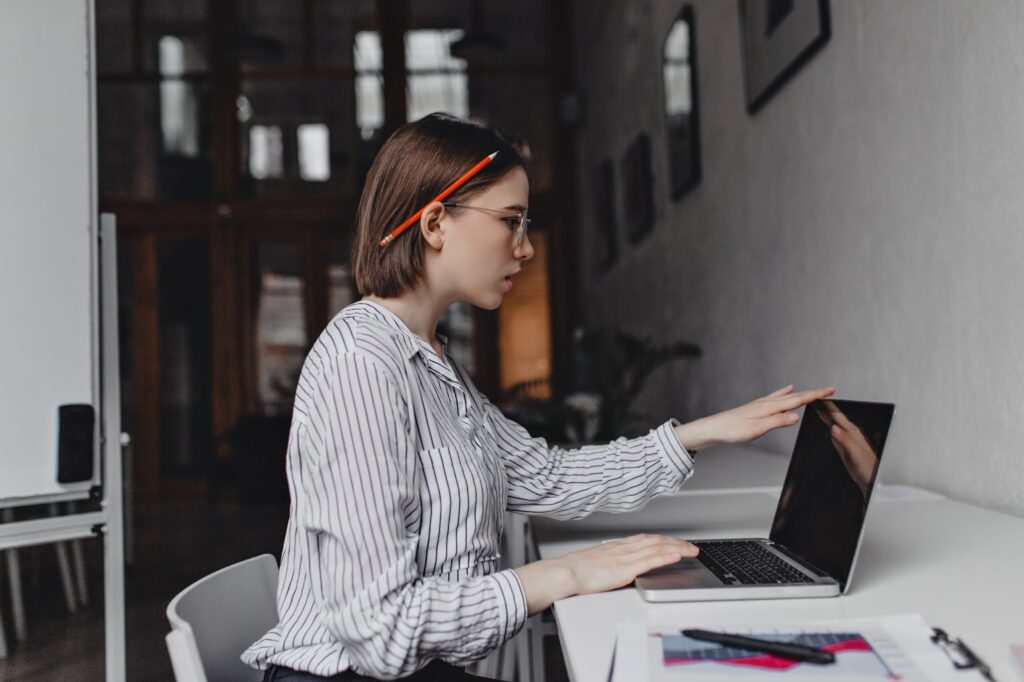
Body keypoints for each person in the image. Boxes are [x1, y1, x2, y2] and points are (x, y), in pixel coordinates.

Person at [242, 112, 835, 681]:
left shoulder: (430, 362)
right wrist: (565, 574)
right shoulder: (362, 366)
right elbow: (380, 632)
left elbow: (547, 477)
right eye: (510, 220)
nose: (524, 248)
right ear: (435, 223)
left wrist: (700, 433)